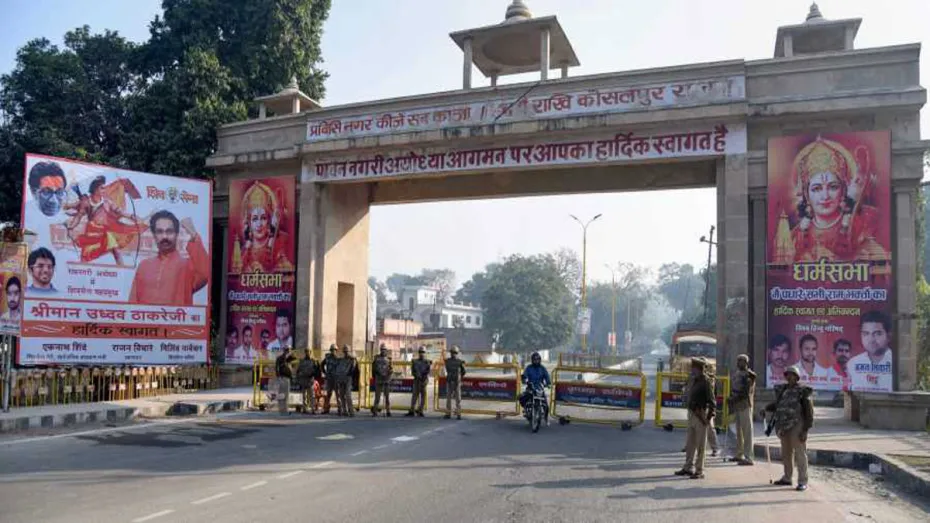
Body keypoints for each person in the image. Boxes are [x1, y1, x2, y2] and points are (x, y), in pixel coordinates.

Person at [773, 136, 888, 263]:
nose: (825, 196)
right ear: (806, 194)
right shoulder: (795, 237)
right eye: (817, 189)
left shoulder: (862, 225)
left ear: (843, 190)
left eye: (833, 187)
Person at [128, 211, 209, 305]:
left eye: (169, 231)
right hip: (144, 315)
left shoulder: (187, 266)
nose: (165, 236)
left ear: (176, 234)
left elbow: (205, 274)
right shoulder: (144, 265)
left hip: (177, 314)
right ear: (154, 235)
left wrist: (194, 235)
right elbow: (133, 301)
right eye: (159, 231)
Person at [64, 175, 147, 265]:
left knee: (116, 251)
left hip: (105, 231)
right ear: (95, 189)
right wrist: (71, 227)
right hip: (92, 233)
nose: (104, 190)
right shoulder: (87, 202)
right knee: (86, 255)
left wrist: (131, 216)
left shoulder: (107, 202)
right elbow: (78, 217)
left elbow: (119, 211)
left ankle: (122, 269)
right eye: (102, 188)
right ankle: (82, 270)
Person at [762, 365, 814, 491]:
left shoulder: (803, 391)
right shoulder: (783, 391)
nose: (789, 377)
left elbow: (809, 413)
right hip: (784, 426)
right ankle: (787, 477)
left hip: (797, 425)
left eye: (792, 375)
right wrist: (766, 408)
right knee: (786, 453)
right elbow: (778, 405)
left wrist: (805, 430)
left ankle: (802, 481)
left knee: (800, 453)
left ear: (797, 377)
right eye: (787, 375)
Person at [231, 181, 294, 274]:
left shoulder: (282, 241)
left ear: (269, 220)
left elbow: (288, 272)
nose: (259, 224)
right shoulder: (244, 251)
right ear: (249, 223)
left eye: (263, 218)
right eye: (255, 219)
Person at [675, 357, 715, 480]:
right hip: (692, 413)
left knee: (700, 445)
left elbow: (712, 402)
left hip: (700, 414)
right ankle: (688, 467)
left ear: (700, 369)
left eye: (694, 367)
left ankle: (699, 470)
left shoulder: (706, 382)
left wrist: (707, 418)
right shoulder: (693, 380)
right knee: (690, 443)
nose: (692, 369)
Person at [848, 310, 893, 392]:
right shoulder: (852, 363)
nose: (871, 340)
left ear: (888, 336)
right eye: (866, 334)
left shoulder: (896, 363)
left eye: (877, 333)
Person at [728, 354, 756, 465]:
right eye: (739, 360)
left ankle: (749, 457)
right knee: (738, 431)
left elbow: (745, 392)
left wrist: (733, 399)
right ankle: (739, 454)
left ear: (746, 362)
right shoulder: (736, 374)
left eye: (742, 361)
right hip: (737, 405)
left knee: (747, 432)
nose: (740, 363)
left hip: (744, 404)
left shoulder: (749, 375)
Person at [519, 352, 551, 420]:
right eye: (535, 360)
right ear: (532, 360)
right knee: (522, 398)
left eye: (537, 359)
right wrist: (524, 379)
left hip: (540, 388)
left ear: (540, 360)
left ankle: (546, 419)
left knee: (546, 406)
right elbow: (525, 375)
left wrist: (548, 383)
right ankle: (526, 410)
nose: (536, 361)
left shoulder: (542, 368)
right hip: (530, 387)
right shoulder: (529, 368)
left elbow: (547, 376)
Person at [407, 346, 431, 417]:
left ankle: (420, 410)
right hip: (417, 380)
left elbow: (428, 371)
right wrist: (417, 375)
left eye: (423, 352)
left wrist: (423, 377)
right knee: (414, 396)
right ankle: (412, 410)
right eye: (420, 352)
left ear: (425, 353)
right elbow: (413, 372)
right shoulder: (415, 362)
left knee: (423, 396)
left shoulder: (427, 362)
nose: (421, 353)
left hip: (423, 381)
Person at [443, 346, 466, 420]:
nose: (453, 354)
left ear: (457, 353)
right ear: (450, 353)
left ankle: (458, 414)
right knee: (448, 399)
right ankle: (448, 413)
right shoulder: (447, 361)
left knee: (458, 399)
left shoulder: (460, 362)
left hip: (456, 382)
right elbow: (446, 370)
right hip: (450, 381)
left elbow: (463, 372)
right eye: (452, 352)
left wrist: (459, 378)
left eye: (455, 353)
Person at [371, 344, 394, 417]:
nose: (383, 351)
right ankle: (375, 411)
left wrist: (388, 374)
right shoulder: (376, 358)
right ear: (380, 350)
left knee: (387, 397)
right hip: (378, 379)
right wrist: (376, 376)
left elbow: (391, 369)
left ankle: (388, 411)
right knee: (377, 397)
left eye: (384, 349)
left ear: (386, 350)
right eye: (382, 349)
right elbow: (373, 368)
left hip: (386, 380)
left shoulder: (389, 359)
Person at [296, 349, 320, 414]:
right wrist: (298, 378)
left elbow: (317, 370)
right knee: (304, 395)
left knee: (312, 395)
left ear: (310, 352)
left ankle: (313, 409)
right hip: (303, 379)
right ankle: (304, 408)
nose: (307, 353)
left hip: (310, 380)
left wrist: (314, 375)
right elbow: (298, 370)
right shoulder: (302, 361)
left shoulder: (313, 361)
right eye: (306, 352)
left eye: (308, 352)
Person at [274, 347, 297, 415]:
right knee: (282, 394)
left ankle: (285, 410)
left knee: (286, 395)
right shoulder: (280, 358)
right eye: (287, 350)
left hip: (287, 378)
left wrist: (291, 354)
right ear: (284, 351)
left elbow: (295, 358)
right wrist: (278, 376)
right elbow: (277, 368)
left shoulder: (288, 358)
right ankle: (282, 409)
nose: (288, 352)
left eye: (289, 350)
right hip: (282, 377)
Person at [322, 345, 338, 414]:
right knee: (328, 394)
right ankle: (326, 409)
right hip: (329, 378)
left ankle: (340, 409)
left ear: (336, 350)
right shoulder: (327, 358)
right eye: (331, 350)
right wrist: (325, 372)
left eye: (334, 350)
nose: (332, 351)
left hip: (336, 379)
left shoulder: (338, 358)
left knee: (338, 394)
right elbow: (322, 364)